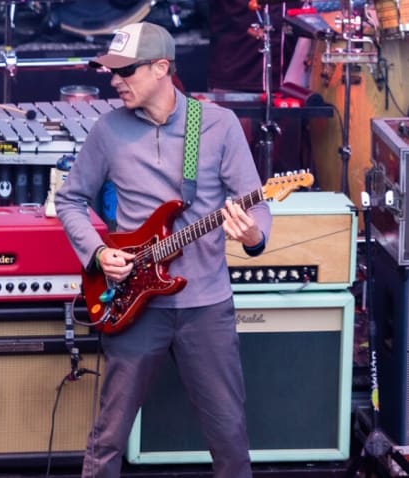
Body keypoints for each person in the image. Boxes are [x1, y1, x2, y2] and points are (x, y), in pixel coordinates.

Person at [55, 22, 272, 478]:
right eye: (111, 72)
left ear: (161, 68)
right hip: (135, 302)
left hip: (206, 305)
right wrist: (97, 253)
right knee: (109, 435)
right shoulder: (108, 129)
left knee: (229, 434)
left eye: (125, 71)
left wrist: (251, 236)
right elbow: (70, 199)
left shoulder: (217, 125)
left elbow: (257, 204)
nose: (115, 81)